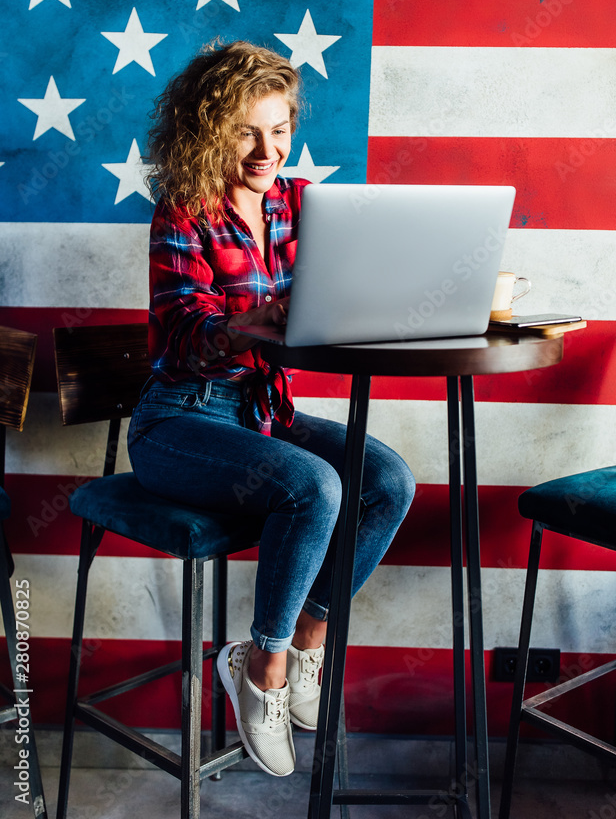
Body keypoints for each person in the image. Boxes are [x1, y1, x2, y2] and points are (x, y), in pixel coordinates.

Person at [127, 39, 416, 778]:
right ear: (208, 131)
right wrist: (240, 324)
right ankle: (261, 667)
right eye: (247, 132)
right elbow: (184, 335)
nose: (267, 149)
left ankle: (309, 639)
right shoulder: (183, 210)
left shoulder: (300, 203)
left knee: (386, 479)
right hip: (181, 419)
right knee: (313, 486)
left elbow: (340, 295)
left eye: (280, 128)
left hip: (264, 413)